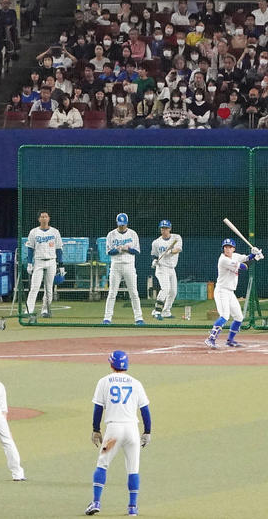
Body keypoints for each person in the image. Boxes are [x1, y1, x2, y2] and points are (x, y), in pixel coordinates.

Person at [86, 349, 152, 517]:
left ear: (111, 364)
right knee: (133, 468)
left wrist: (95, 429)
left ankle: (96, 502)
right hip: (132, 430)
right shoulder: (136, 383)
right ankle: (132, 507)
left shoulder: (104, 381)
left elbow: (98, 408)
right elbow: (145, 410)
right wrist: (147, 431)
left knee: (102, 463)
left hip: (113, 432)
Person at [206, 238, 262, 349]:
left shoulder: (235, 256)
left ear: (233, 248)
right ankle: (210, 339)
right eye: (226, 247)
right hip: (222, 291)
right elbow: (244, 267)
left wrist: (254, 253)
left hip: (230, 292)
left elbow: (246, 258)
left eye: (230, 247)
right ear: (223, 249)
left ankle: (230, 340)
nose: (227, 249)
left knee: (239, 317)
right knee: (224, 316)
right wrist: (256, 258)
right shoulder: (223, 260)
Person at [102, 213, 144, 325]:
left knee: (134, 293)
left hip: (129, 265)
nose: (122, 227)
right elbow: (109, 252)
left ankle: (139, 318)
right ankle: (107, 318)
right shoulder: (111, 234)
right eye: (120, 225)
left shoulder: (132, 234)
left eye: (123, 225)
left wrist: (128, 249)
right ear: (117, 223)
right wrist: (119, 250)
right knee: (112, 293)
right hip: (116, 266)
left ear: (127, 224)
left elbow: (137, 251)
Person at [24, 210, 61, 319]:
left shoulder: (55, 232)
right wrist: (29, 263)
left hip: (51, 261)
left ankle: (46, 309)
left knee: (49, 288)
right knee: (34, 287)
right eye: (42, 217)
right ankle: (28, 310)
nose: (44, 218)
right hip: (39, 261)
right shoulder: (34, 232)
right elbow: (30, 248)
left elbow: (59, 248)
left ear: (49, 218)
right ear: (39, 219)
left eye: (46, 216)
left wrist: (61, 264)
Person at [150, 220, 182, 320]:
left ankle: (166, 311)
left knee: (173, 292)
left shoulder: (176, 237)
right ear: (160, 229)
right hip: (161, 268)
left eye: (166, 228)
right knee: (165, 289)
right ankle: (156, 311)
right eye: (162, 228)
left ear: (170, 229)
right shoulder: (156, 242)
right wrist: (154, 261)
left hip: (172, 268)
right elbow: (154, 254)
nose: (164, 230)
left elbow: (178, 249)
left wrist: (170, 252)